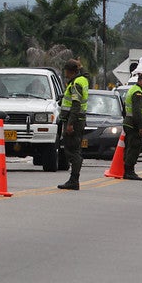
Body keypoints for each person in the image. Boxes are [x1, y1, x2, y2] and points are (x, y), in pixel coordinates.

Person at [57, 59, 89, 191]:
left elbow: (76, 105)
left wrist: (70, 124)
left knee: (72, 151)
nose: (65, 73)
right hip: (78, 120)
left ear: (70, 71)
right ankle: (73, 179)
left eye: (66, 70)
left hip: (74, 121)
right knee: (74, 150)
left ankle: (74, 180)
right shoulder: (83, 79)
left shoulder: (76, 84)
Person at [122, 73, 142, 181]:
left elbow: (125, 109)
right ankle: (129, 171)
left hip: (129, 123)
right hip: (134, 125)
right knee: (134, 148)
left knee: (130, 147)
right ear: (140, 81)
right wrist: (141, 127)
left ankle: (128, 170)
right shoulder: (137, 93)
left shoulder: (133, 89)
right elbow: (137, 112)